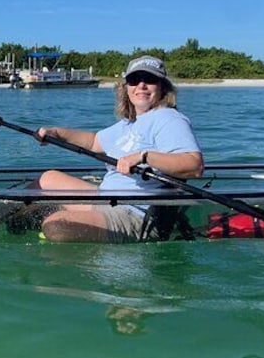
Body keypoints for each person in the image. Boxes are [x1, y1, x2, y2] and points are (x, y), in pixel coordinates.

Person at [32, 55, 203, 243]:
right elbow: (94, 141)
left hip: (135, 214)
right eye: (134, 80)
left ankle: (51, 226)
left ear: (162, 86)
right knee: (47, 179)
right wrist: (57, 133)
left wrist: (144, 157)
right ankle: (1, 220)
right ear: (126, 87)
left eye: (150, 80)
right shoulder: (129, 123)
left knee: (56, 225)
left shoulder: (169, 119)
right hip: (106, 199)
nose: (141, 86)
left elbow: (193, 165)